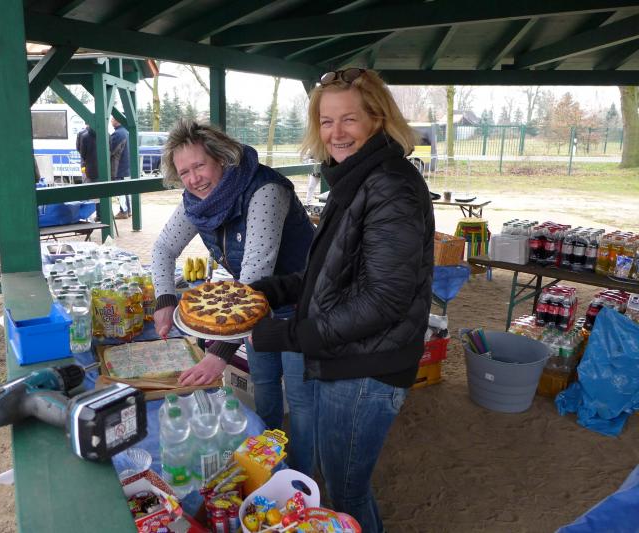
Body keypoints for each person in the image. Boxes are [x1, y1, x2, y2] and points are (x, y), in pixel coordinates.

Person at [248, 69, 435, 532]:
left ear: (377, 119)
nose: (336, 132)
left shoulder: (391, 185)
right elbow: (334, 272)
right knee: (337, 480)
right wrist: (276, 289)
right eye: (326, 121)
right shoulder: (355, 177)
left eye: (349, 119)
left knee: (346, 490)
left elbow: (384, 300)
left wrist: (290, 335)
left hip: (368, 367)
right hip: (347, 356)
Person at [150, 119, 316, 475]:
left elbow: (256, 273)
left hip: (302, 303)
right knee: (264, 385)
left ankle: (300, 478)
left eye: (199, 166)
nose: (193, 179)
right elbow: (163, 248)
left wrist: (219, 352)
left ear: (222, 159)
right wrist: (165, 300)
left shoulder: (265, 190)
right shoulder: (198, 202)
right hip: (255, 307)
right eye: (184, 172)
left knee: (301, 399)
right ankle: (267, 467)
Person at [110, 117, 131, 219]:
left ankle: (124, 211)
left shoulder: (117, 134)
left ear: (117, 120)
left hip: (118, 167)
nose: (111, 121)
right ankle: (128, 210)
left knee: (119, 191)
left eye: (112, 119)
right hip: (125, 165)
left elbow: (111, 150)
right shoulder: (126, 131)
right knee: (124, 190)